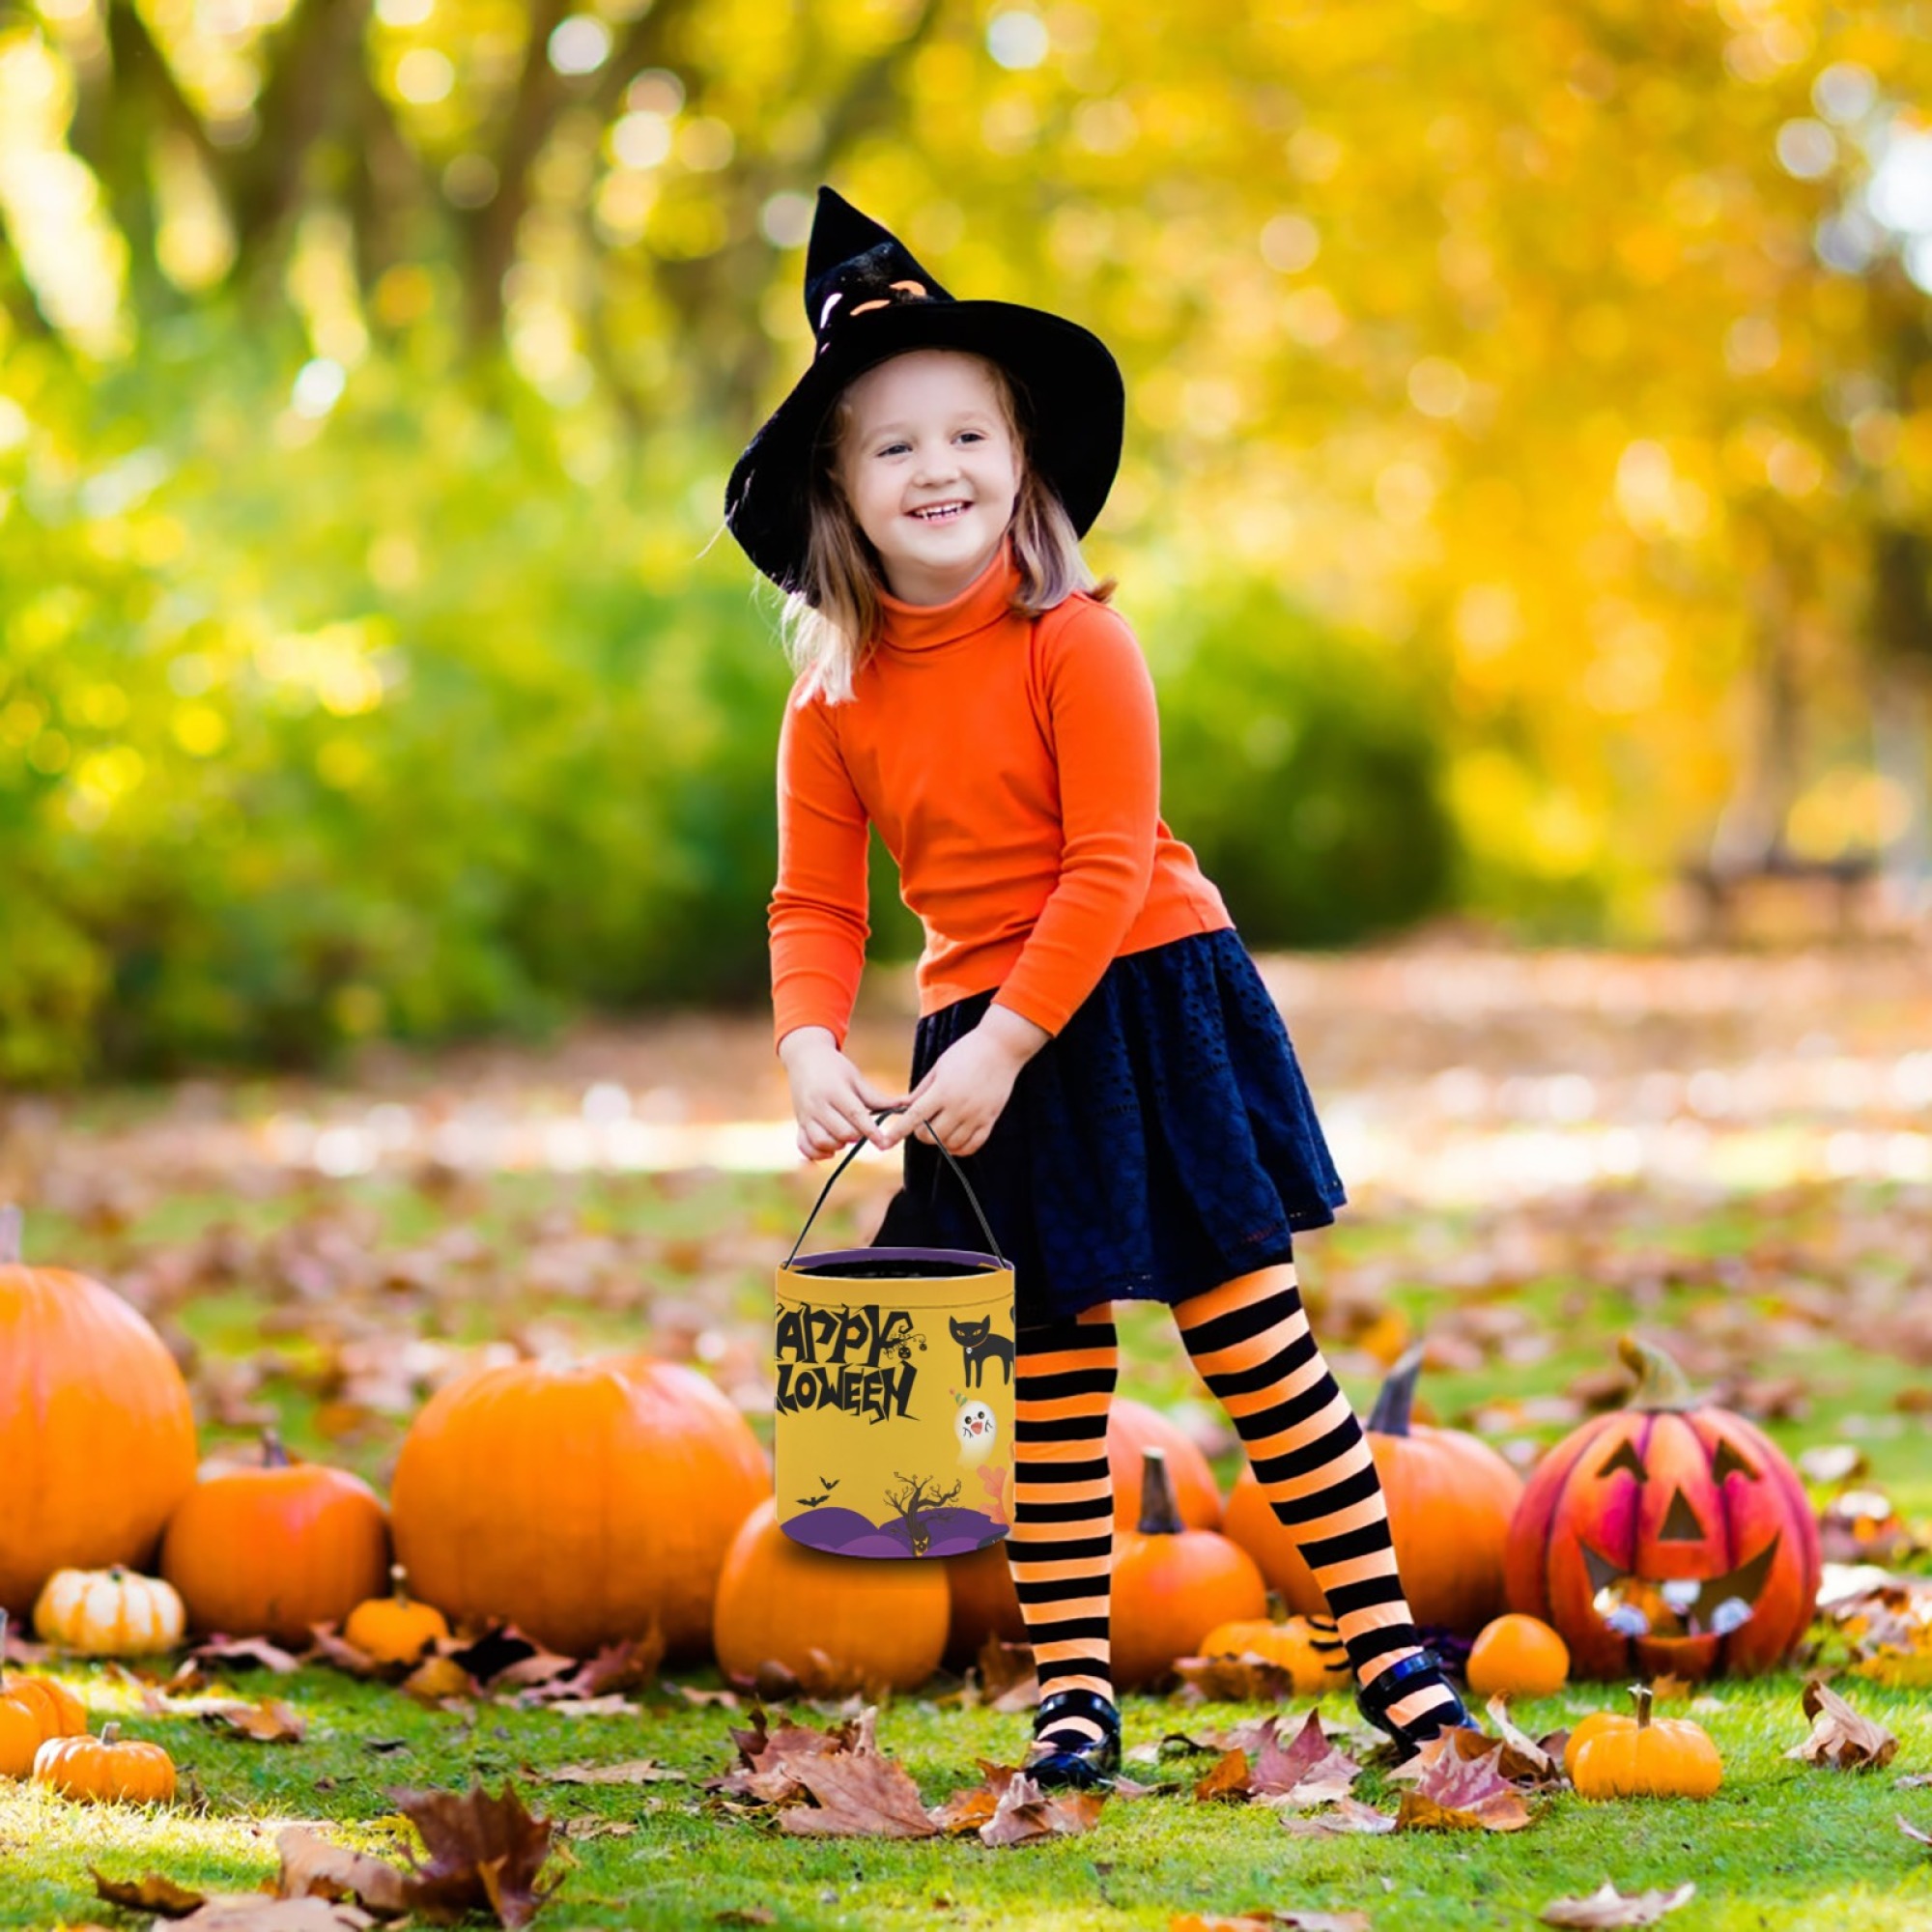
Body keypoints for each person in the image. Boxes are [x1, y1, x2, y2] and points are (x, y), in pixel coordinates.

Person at [724, 185, 1478, 1792]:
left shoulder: (1077, 643)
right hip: (980, 1040)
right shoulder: (835, 701)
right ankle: (1077, 1689)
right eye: (891, 447)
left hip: (1138, 1000)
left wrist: (1009, 1039)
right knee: (1053, 1378)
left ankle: (1392, 1655)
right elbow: (813, 900)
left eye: (966, 438)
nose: (935, 471)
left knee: (1252, 1347)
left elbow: (1105, 861)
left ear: (1022, 463)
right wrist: (806, 1047)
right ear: (838, 495)